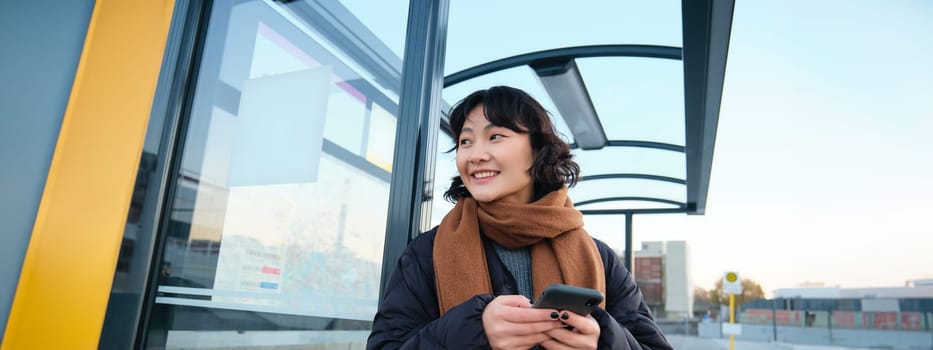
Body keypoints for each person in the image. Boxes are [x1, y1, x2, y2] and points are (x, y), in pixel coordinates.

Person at [367, 86, 672, 349]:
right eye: (465, 141)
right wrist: (475, 331)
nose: (475, 155)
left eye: (495, 136)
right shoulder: (425, 253)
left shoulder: (600, 257)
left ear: (538, 149)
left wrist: (603, 340)